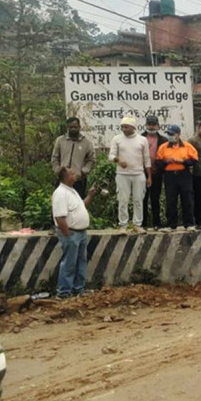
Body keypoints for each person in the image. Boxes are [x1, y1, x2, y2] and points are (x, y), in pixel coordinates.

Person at [52, 167, 98, 299]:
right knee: (69, 263)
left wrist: (89, 195)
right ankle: (64, 292)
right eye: (72, 174)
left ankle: (78, 289)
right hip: (71, 232)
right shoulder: (61, 193)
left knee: (80, 261)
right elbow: (59, 217)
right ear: (65, 177)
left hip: (80, 232)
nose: (75, 175)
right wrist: (67, 234)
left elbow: (81, 206)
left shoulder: (72, 191)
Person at [109, 116, 151, 233]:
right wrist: (118, 160)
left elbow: (146, 159)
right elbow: (111, 156)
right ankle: (123, 225)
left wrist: (149, 176)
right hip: (122, 174)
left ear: (133, 127)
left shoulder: (142, 140)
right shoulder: (117, 139)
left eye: (126, 127)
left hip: (138, 174)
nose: (123, 129)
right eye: (122, 127)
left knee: (138, 200)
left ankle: (137, 225)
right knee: (123, 200)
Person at [156, 125, 198, 231]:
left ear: (178, 134)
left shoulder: (187, 146)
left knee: (187, 199)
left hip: (184, 174)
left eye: (172, 134)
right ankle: (171, 225)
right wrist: (166, 161)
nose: (170, 136)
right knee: (170, 200)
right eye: (168, 134)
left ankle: (188, 223)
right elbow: (158, 162)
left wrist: (182, 161)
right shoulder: (163, 147)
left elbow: (195, 161)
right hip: (170, 175)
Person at [51, 117, 96, 198]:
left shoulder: (86, 143)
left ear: (79, 127)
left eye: (75, 127)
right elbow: (55, 158)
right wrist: (58, 170)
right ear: (67, 128)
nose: (73, 129)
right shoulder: (60, 140)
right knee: (60, 201)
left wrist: (83, 172)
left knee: (77, 204)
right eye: (70, 127)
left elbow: (91, 160)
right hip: (62, 179)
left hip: (78, 180)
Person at [143, 116, 168, 229]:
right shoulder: (139, 138)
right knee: (142, 199)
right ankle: (142, 224)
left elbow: (166, 157)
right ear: (146, 125)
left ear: (158, 126)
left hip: (157, 173)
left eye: (154, 124)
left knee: (155, 199)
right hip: (141, 174)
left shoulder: (164, 140)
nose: (151, 126)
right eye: (149, 124)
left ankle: (156, 223)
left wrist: (159, 167)